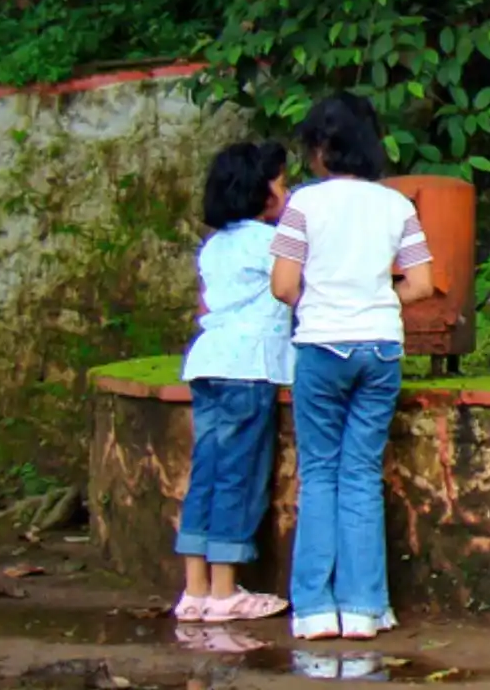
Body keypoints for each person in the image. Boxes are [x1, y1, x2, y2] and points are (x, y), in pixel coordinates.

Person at [270, 93, 435, 641]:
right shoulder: (397, 207)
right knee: (362, 473)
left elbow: (284, 285)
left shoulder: (303, 205)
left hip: (322, 348)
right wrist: (374, 294)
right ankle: (364, 608)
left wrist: (326, 300)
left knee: (320, 474)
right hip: (381, 350)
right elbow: (422, 284)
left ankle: (315, 608)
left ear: (320, 147)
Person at [173, 141, 294, 624]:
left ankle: (195, 589)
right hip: (248, 366)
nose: (287, 190)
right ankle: (226, 592)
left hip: (207, 363)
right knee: (238, 476)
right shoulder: (269, 243)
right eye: (282, 182)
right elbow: (295, 289)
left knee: (206, 470)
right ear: (261, 191)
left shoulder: (215, 245)